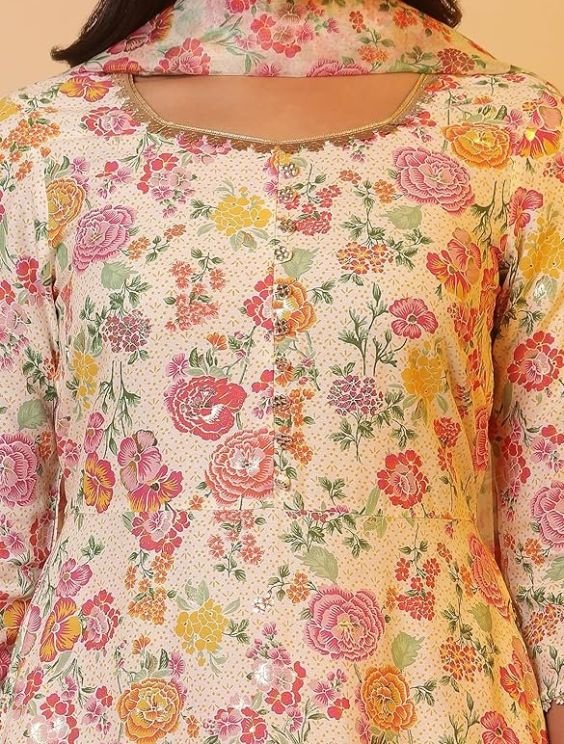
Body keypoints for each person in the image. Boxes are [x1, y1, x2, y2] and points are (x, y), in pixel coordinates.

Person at [0, 0, 562, 741]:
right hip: (99, 708)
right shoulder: (45, 142)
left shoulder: (510, 133)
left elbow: (551, 484)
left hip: (429, 705)